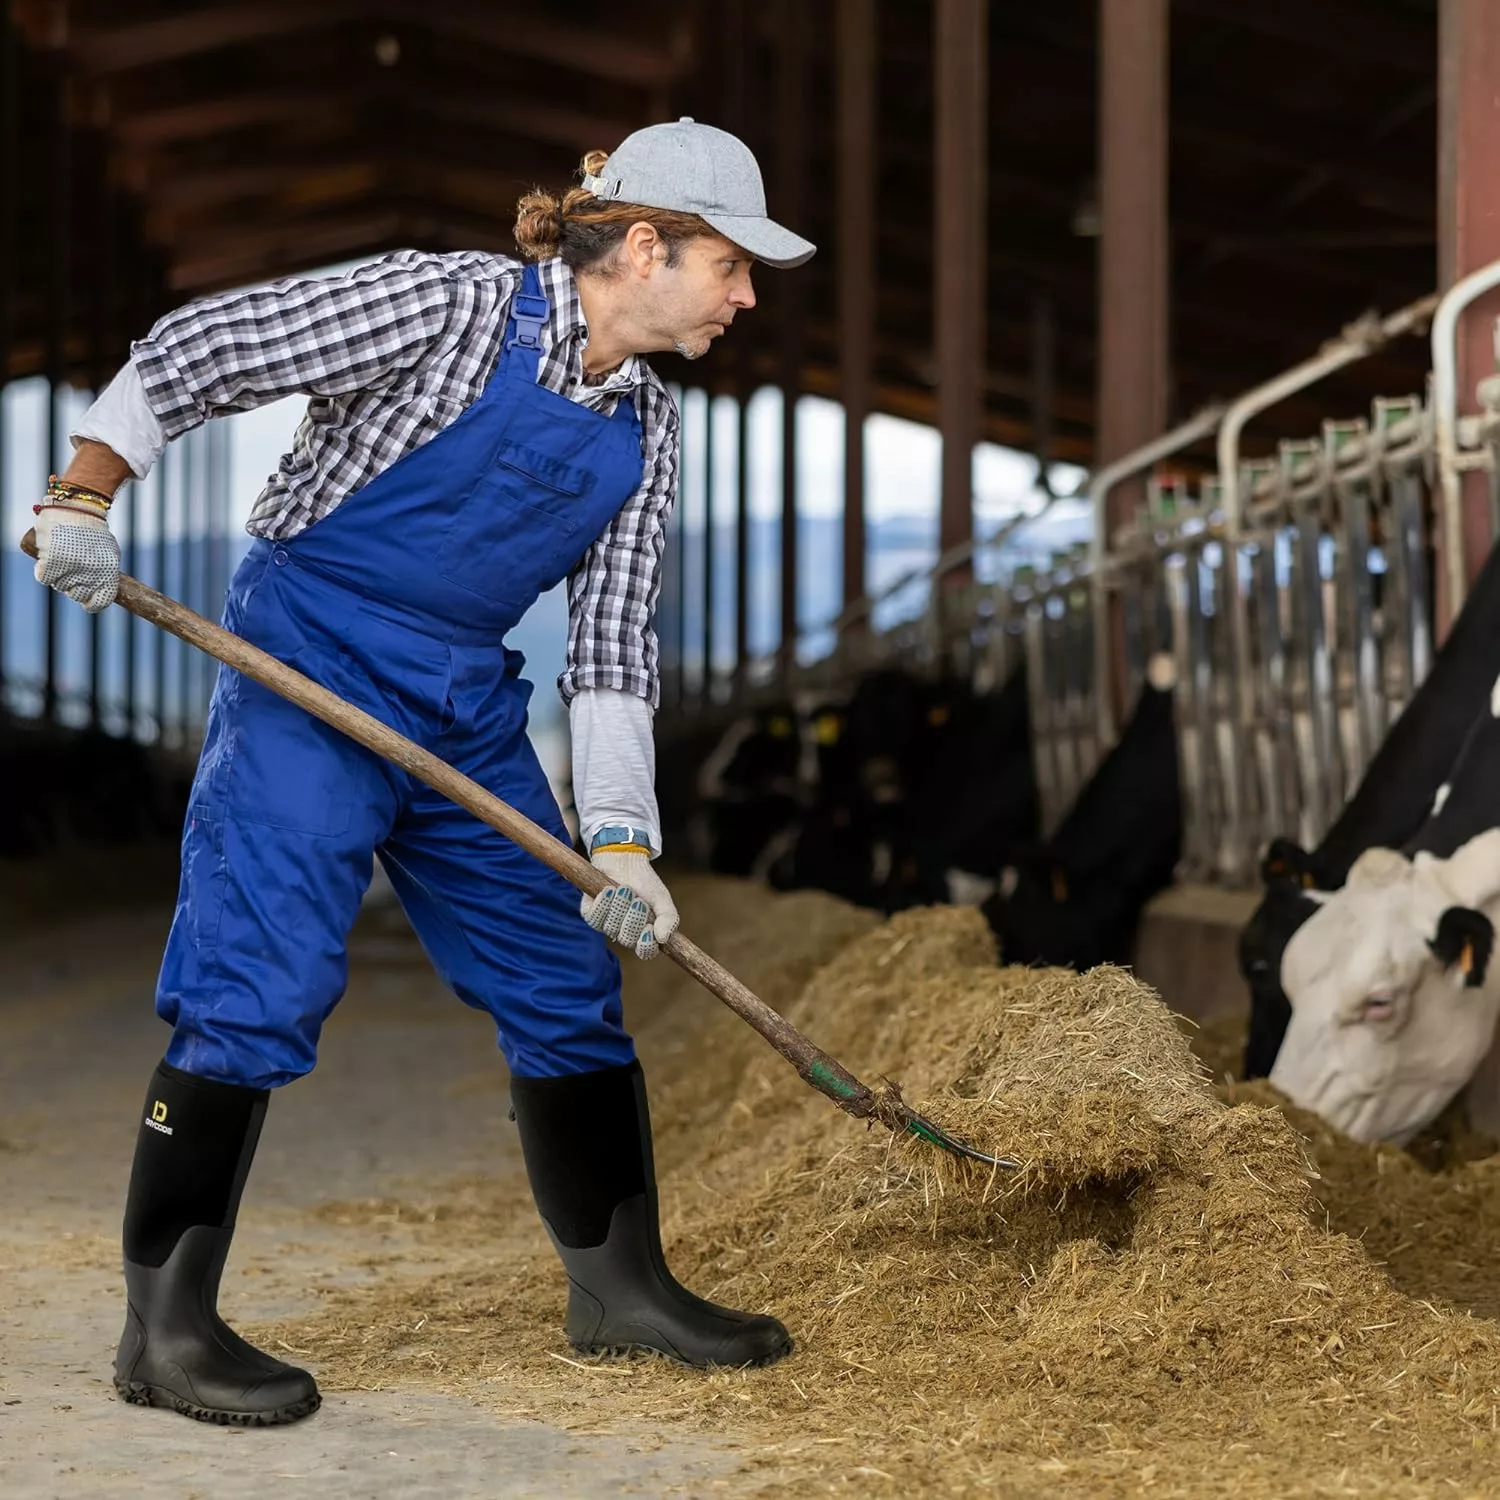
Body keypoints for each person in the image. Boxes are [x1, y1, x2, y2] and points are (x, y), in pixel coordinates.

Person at [33, 119, 814, 1426]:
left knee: (564, 976)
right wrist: (83, 494)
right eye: (733, 266)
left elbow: (611, 650)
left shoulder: (649, 427)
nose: (746, 298)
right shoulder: (446, 307)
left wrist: (622, 846)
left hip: (460, 704)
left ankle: (621, 1291)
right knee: (255, 984)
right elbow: (204, 350)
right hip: (305, 664)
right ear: (645, 246)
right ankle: (164, 1329)